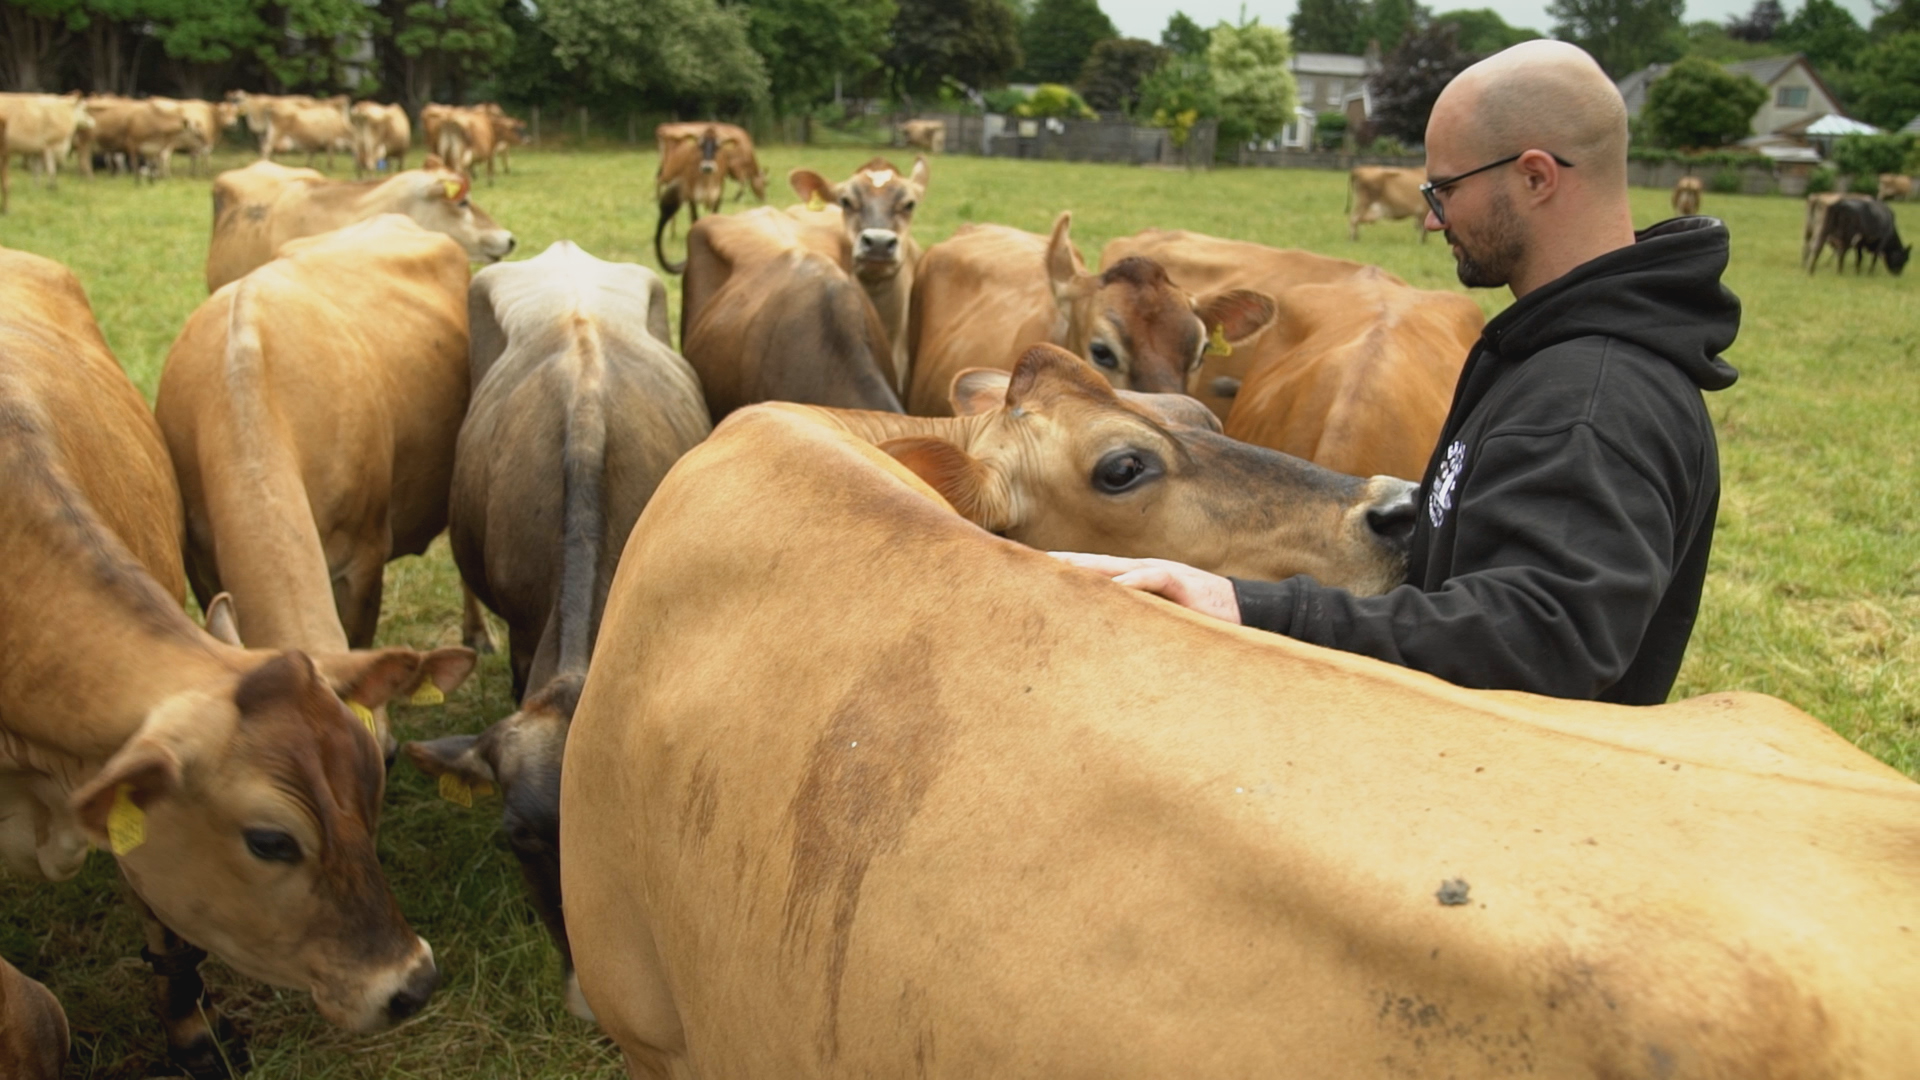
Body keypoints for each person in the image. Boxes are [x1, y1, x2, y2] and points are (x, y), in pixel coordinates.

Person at [1056, 40, 1740, 706]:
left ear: (1535, 177)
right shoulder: (1555, 351)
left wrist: (1248, 605)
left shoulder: (1590, 400)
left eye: (1444, 190)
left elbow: (1542, 637)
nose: (1436, 221)